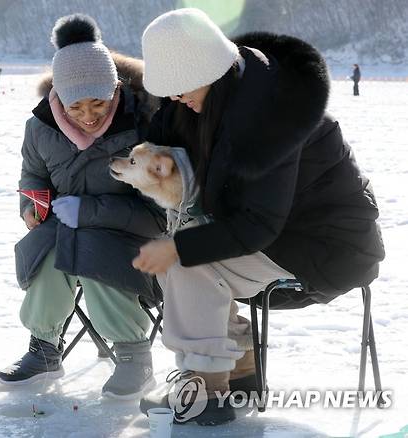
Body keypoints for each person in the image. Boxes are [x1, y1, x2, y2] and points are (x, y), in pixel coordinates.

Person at [136, 9, 384, 425]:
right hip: (282, 236)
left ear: (206, 68)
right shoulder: (213, 93)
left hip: (323, 247)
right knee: (184, 251)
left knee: (185, 258)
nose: (176, 98)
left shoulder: (271, 114)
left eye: (179, 89)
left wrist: (179, 247)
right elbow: (164, 131)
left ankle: (206, 391)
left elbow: (258, 225)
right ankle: (241, 369)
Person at [0, 14, 166, 400]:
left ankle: (133, 356)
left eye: (99, 103)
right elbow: (33, 176)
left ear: (116, 90)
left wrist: (89, 212)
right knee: (51, 253)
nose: (89, 116)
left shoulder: (144, 124)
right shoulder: (39, 127)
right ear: (58, 96)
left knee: (92, 252)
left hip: (133, 234)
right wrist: (30, 204)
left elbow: (158, 213)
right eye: (76, 107)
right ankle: (43, 347)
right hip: (62, 227)